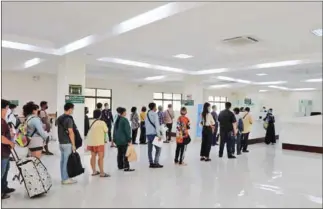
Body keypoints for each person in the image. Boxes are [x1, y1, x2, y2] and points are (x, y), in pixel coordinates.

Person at [56, 103, 77, 185]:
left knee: (63, 161)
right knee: (66, 161)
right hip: (67, 143)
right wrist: (74, 144)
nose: (73, 111)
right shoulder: (69, 119)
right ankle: (65, 179)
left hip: (61, 143)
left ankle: (64, 177)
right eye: (73, 109)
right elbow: (71, 132)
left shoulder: (60, 118)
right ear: (70, 109)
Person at [87, 109, 110, 177]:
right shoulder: (102, 122)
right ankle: (102, 173)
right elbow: (106, 130)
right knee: (101, 157)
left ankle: (94, 171)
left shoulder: (91, 121)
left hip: (91, 142)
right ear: (100, 115)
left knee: (93, 157)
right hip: (99, 142)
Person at [1, 99, 15, 199]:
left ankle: (4, 188)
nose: (7, 110)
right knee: (1, 172)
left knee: (6, 170)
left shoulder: (3, 121)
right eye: (7, 108)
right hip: (2, 152)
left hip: (6, 151)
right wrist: (10, 142)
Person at [113, 107, 135, 172]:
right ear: (122, 113)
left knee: (119, 153)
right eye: (125, 112)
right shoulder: (124, 120)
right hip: (124, 140)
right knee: (126, 153)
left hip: (118, 140)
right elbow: (127, 131)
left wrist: (114, 138)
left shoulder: (117, 119)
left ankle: (120, 166)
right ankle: (126, 167)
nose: (126, 113)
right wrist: (129, 139)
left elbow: (114, 130)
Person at [145, 102, 163, 168]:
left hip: (148, 134)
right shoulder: (155, 114)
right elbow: (157, 125)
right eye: (155, 107)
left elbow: (146, 124)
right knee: (158, 149)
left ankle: (151, 163)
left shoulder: (147, 114)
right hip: (154, 134)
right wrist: (159, 135)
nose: (156, 108)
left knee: (149, 150)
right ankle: (156, 162)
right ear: (153, 107)